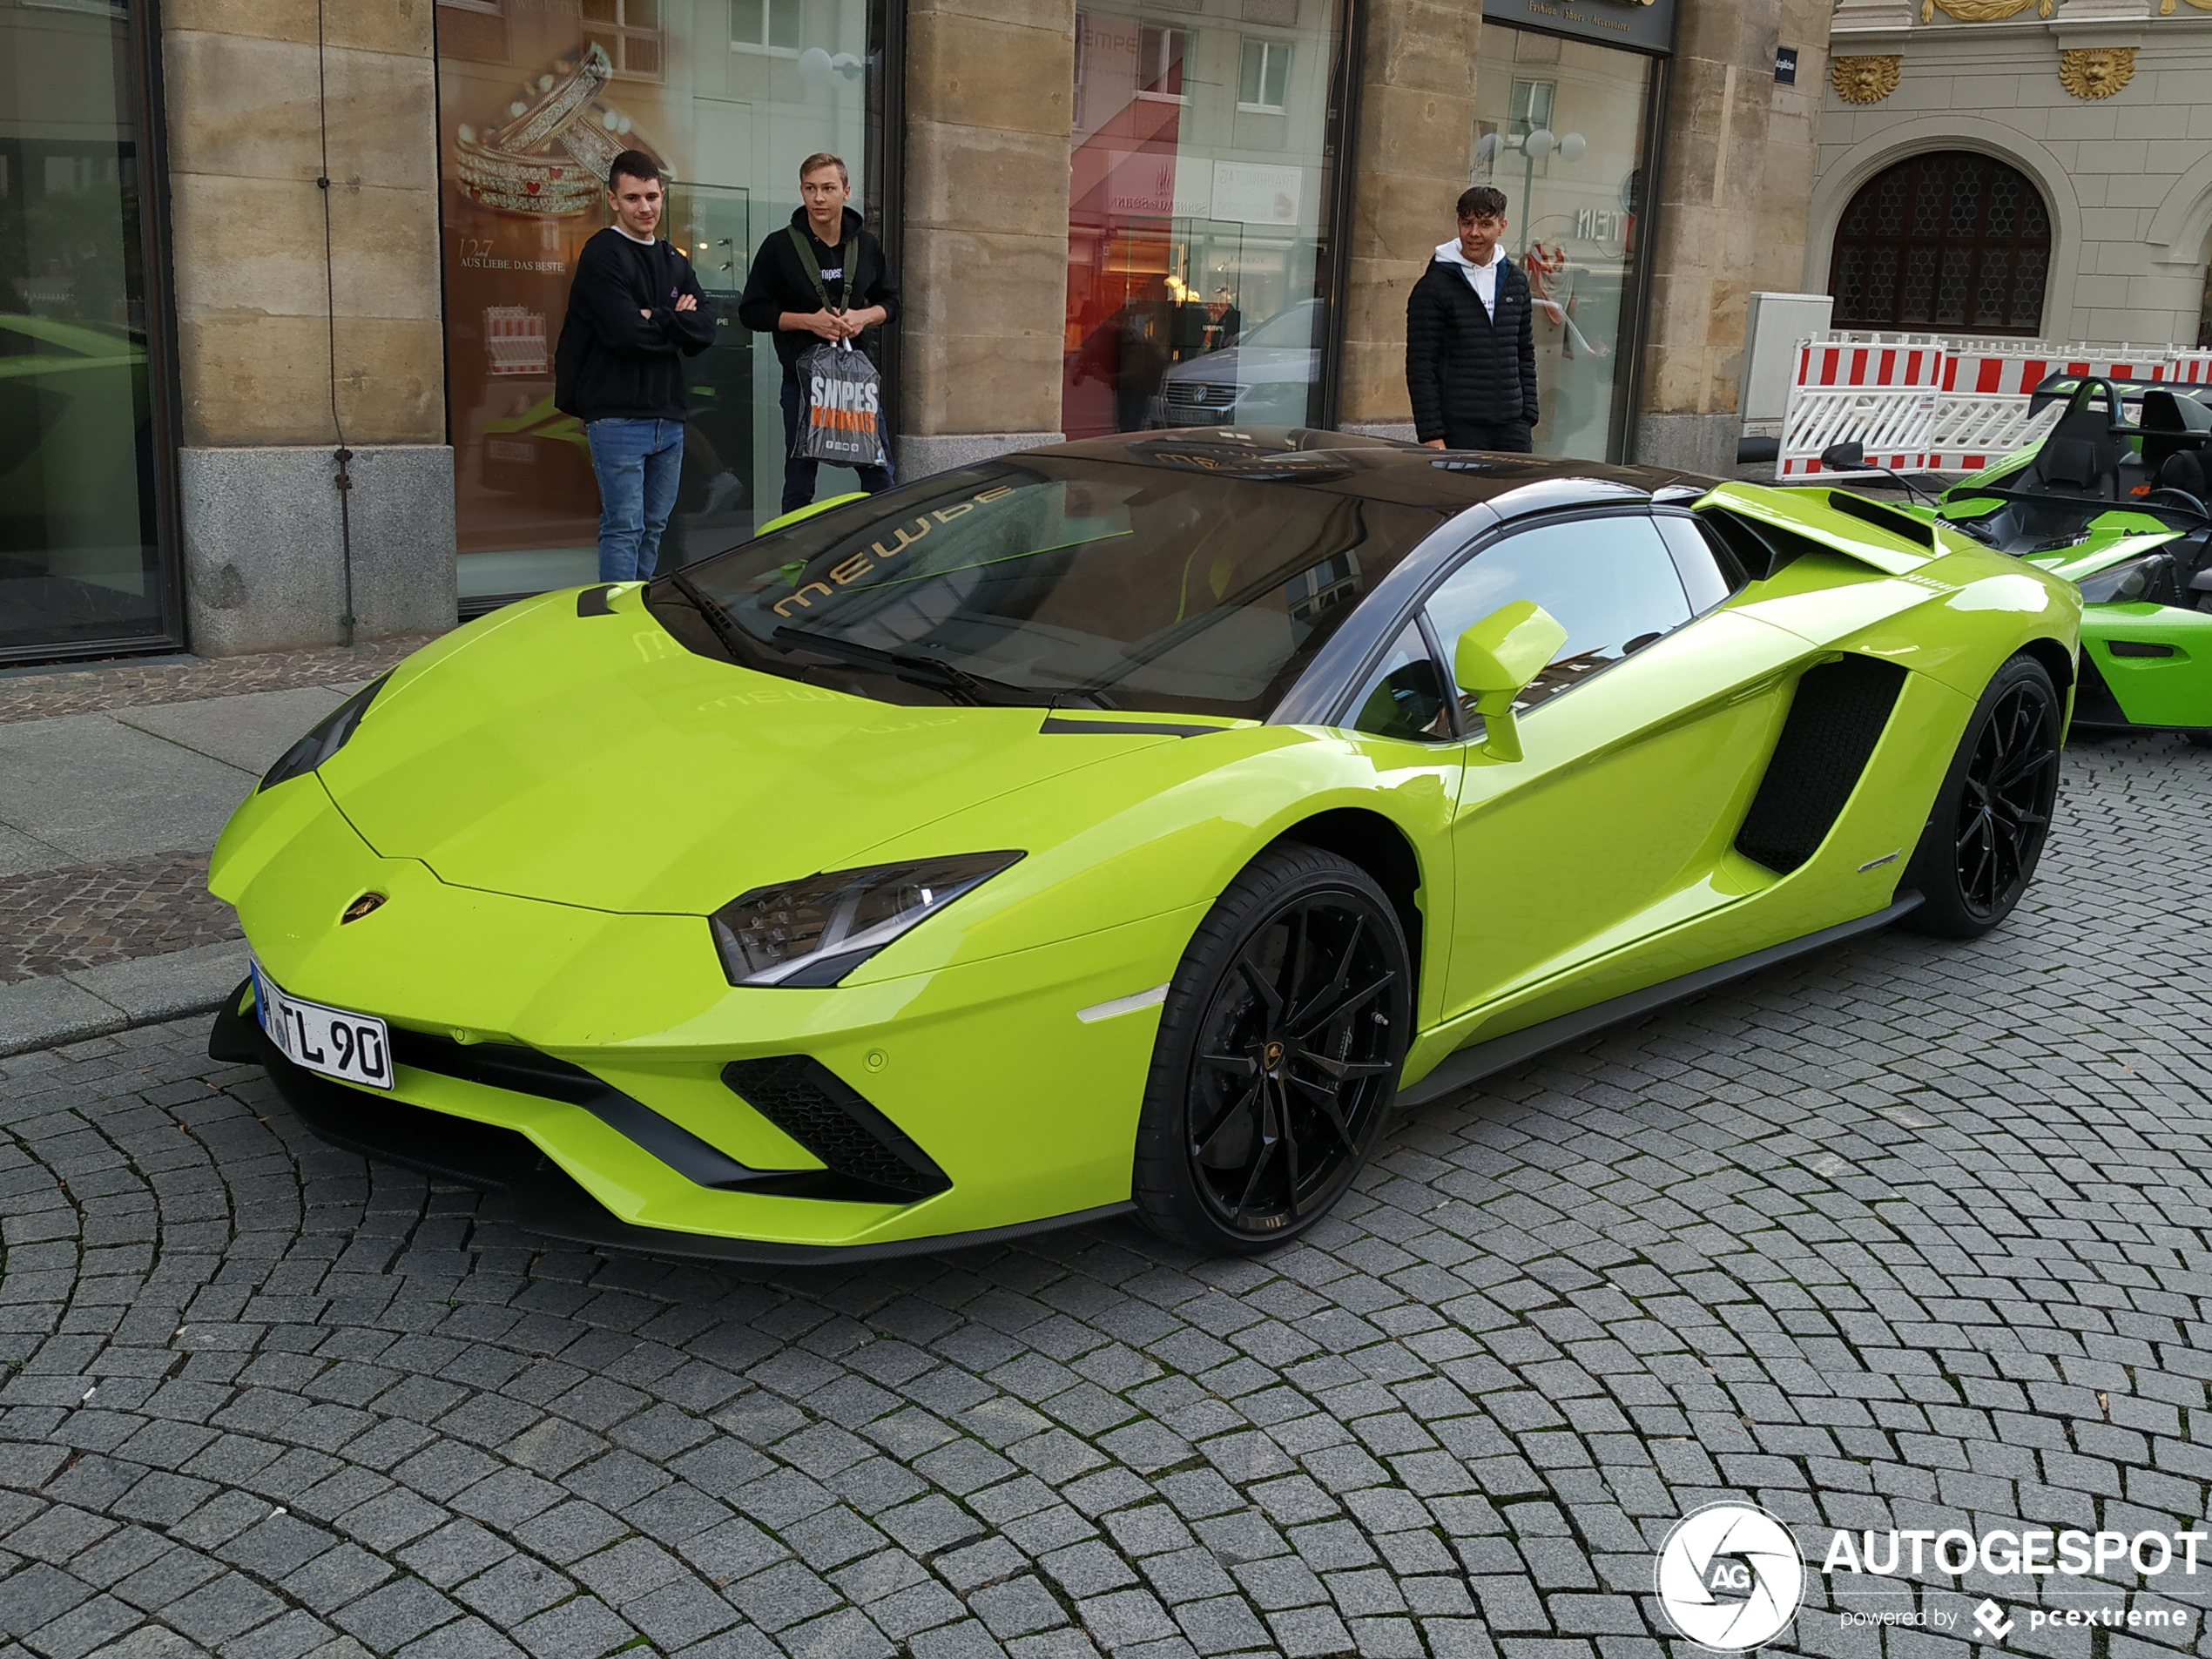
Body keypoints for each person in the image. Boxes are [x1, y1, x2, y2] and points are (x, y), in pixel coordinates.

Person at [554, 150, 716, 583]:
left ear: (662, 195)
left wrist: (657, 316)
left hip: (669, 417)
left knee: (654, 528)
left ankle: (635, 608)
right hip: (617, 416)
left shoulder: (673, 259)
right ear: (613, 200)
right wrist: (674, 319)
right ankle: (615, 625)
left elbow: (705, 331)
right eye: (632, 198)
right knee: (624, 528)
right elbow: (625, 334)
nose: (644, 207)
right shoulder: (601, 254)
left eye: (651, 196)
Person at [738, 153, 899, 515]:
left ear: (846, 191)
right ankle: (793, 558)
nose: (819, 198)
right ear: (801, 191)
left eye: (828, 188)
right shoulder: (779, 246)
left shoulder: (867, 245)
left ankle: (890, 556)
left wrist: (862, 317)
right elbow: (751, 312)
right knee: (799, 479)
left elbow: (892, 302)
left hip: (855, 382)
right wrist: (809, 321)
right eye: (810, 189)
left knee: (879, 474)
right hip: (802, 379)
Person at [1405, 185, 1539, 454]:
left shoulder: (1516, 282)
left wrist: (1528, 416)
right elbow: (1421, 365)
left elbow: (1524, 352)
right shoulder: (1433, 286)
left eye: (1485, 224)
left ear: (1502, 226)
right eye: (1467, 223)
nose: (1474, 233)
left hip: (1512, 430)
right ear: (1458, 224)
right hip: (1459, 431)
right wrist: (1431, 434)